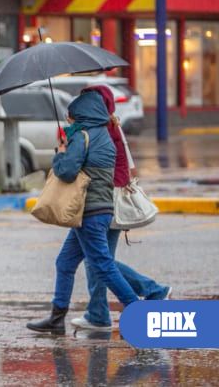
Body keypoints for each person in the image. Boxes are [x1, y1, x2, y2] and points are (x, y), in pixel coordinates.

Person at [27, 90, 138, 335]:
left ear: (83, 114)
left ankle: (137, 310)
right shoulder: (104, 135)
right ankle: (57, 319)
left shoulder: (82, 136)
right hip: (99, 210)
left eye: (73, 116)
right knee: (65, 262)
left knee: (102, 265)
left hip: (89, 212)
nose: (71, 120)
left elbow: (66, 171)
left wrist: (61, 153)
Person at [70, 86, 171, 332]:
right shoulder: (113, 125)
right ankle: (98, 313)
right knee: (99, 260)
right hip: (110, 198)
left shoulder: (99, 129)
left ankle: (152, 291)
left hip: (104, 200)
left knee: (100, 261)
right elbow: (131, 167)